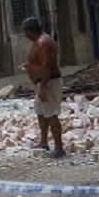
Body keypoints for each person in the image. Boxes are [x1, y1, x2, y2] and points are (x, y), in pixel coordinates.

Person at [19, 17, 64, 159]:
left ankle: (59, 148)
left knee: (51, 114)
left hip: (48, 83)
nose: (25, 36)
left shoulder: (43, 42)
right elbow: (38, 62)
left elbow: (47, 66)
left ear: (29, 31)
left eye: (25, 32)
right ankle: (44, 142)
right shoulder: (38, 41)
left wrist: (43, 86)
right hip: (41, 83)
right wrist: (29, 66)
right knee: (41, 113)